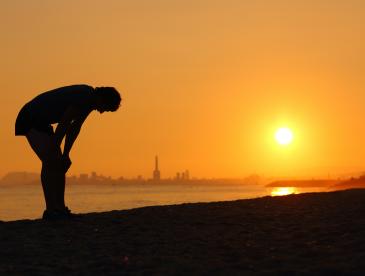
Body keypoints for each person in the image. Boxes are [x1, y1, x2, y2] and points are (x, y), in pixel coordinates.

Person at [15, 84, 122, 220]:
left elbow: (75, 128)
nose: (102, 112)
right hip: (29, 118)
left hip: (42, 122)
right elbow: (64, 123)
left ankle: (60, 208)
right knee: (50, 161)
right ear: (102, 99)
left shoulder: (89, 102)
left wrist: (66, 154)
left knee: (59, 163)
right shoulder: (85, 96)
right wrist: (56, 148)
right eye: (105, 108)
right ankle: (50, 211)